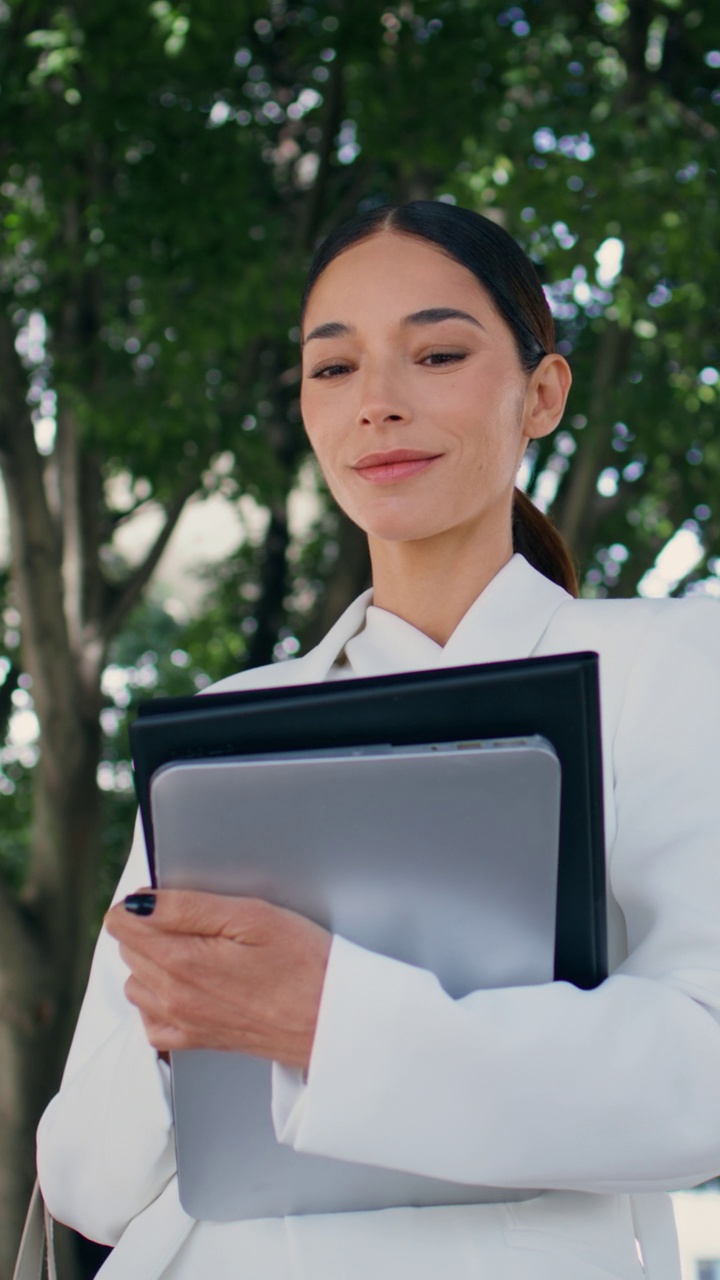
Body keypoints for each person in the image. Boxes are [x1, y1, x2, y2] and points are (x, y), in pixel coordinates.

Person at [36, 201, 720, 1280]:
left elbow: (701, 1074)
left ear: (542, 392)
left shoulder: (671, 661)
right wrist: (180, 1034)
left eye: (438, 352)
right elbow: (86, 1177)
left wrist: (324, 1016)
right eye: (333, 369)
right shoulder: (228, 718)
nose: (380, 406)